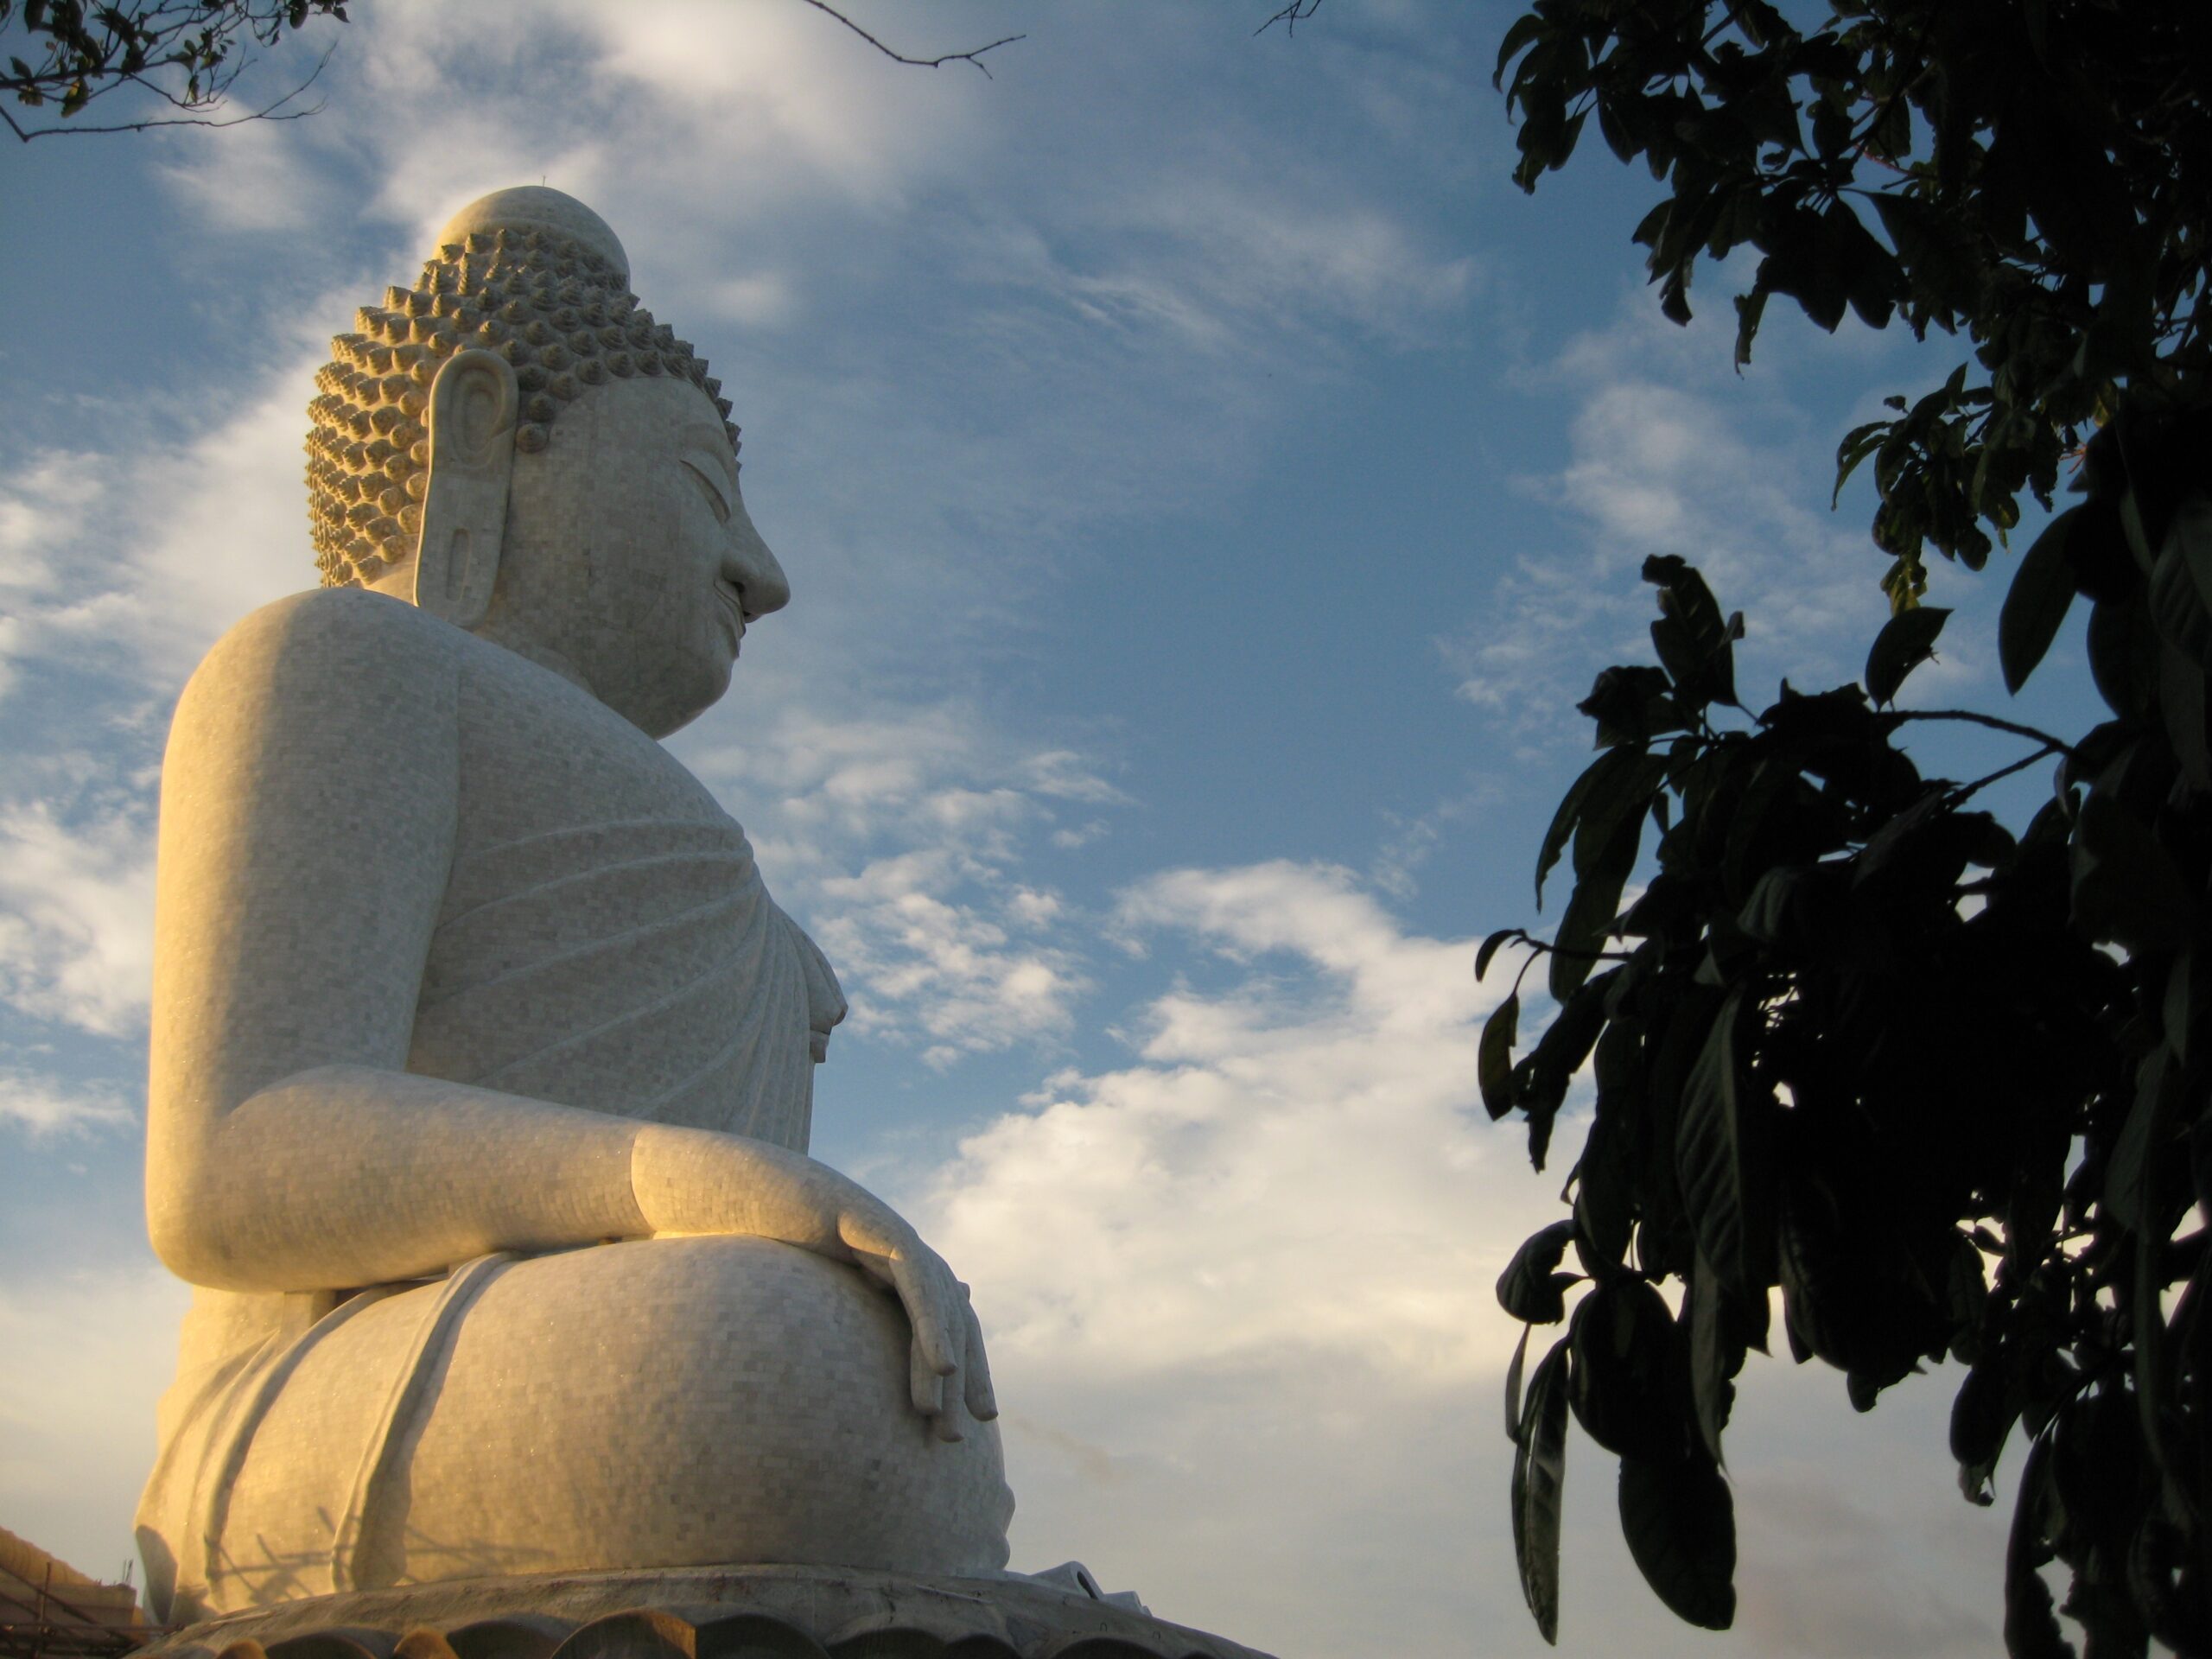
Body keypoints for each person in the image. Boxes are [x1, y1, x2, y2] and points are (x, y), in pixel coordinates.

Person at [134, 188, 1013, 1624]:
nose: (764, 574)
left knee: (870, 1376)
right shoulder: (342, 659)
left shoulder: (644, 801)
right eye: (704, 491)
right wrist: (659, 1180)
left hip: (580, 1357)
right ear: (480, 429)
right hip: (322, 1386)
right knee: (787, 1364)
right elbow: (233, 1159)